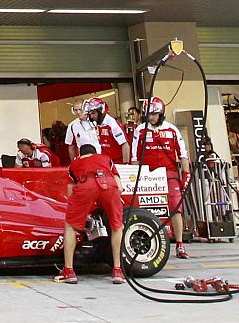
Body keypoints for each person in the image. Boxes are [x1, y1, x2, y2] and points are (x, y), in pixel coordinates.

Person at [55, 145, 125, 285]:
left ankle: (69, 271)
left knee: (70, 226)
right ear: (95, 152)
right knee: (117, 226)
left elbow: (70, 194)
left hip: (85, 185)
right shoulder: (106, 159)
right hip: (109, 184)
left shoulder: (74, 164)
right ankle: (118, 270)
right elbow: (120, 186)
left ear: (80, 154)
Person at [131, 97, 188, 258]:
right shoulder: (140, 130)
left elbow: (183, 154)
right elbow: (134, 157)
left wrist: (186, 174)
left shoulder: (172, 130)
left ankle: (179, 244)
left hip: (169, 174)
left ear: (161, 113)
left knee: (176, 206)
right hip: (147, 176)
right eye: (149, 115)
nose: (151, 118)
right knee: (144, 208)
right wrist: (136, 177)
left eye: (155, 114)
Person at [67, 96, 128, 164]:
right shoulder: (72, 126)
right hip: (101, 161)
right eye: (75, 110)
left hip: (114, 162)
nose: (92, 116)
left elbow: (124, 144)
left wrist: (126, 164)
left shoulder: (111, 123)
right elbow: (71, 146)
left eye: (93, 113)